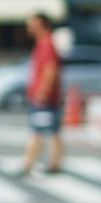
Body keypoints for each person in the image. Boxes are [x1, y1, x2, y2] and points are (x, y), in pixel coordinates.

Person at [17, 10, 64, 176]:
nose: (28, 28)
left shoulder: (46, 44)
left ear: (41, 25)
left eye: (31, 24)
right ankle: (52, 163)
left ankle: (29, 164)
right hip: (45, 97)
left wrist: (43, 91)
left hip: (44, 98)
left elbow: (50, 69)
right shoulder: (44, 43)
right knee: (50, 130)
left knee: (40, 131)